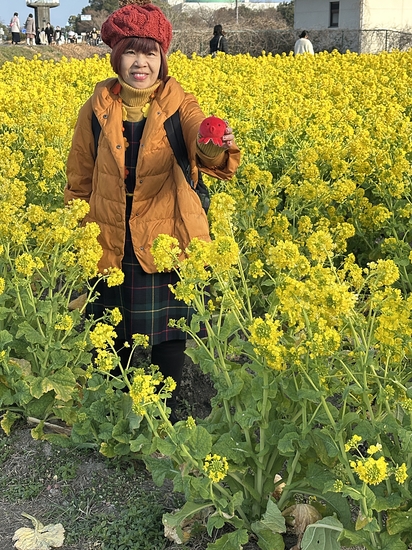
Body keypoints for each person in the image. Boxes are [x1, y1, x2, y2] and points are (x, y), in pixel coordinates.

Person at [64, 0, 240, 417]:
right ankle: (114, 411)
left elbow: (203, 145)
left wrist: (213, 145)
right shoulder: (95, 108)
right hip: (110, 231)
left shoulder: (180, 104)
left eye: (150, 53)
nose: (140, 63)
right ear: (116, 57)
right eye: (130, 52)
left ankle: (167, 410)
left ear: (163, 58)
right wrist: (76, 232)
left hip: (166, 232)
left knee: (168, 333)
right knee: (111, 328)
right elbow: (80, 176)